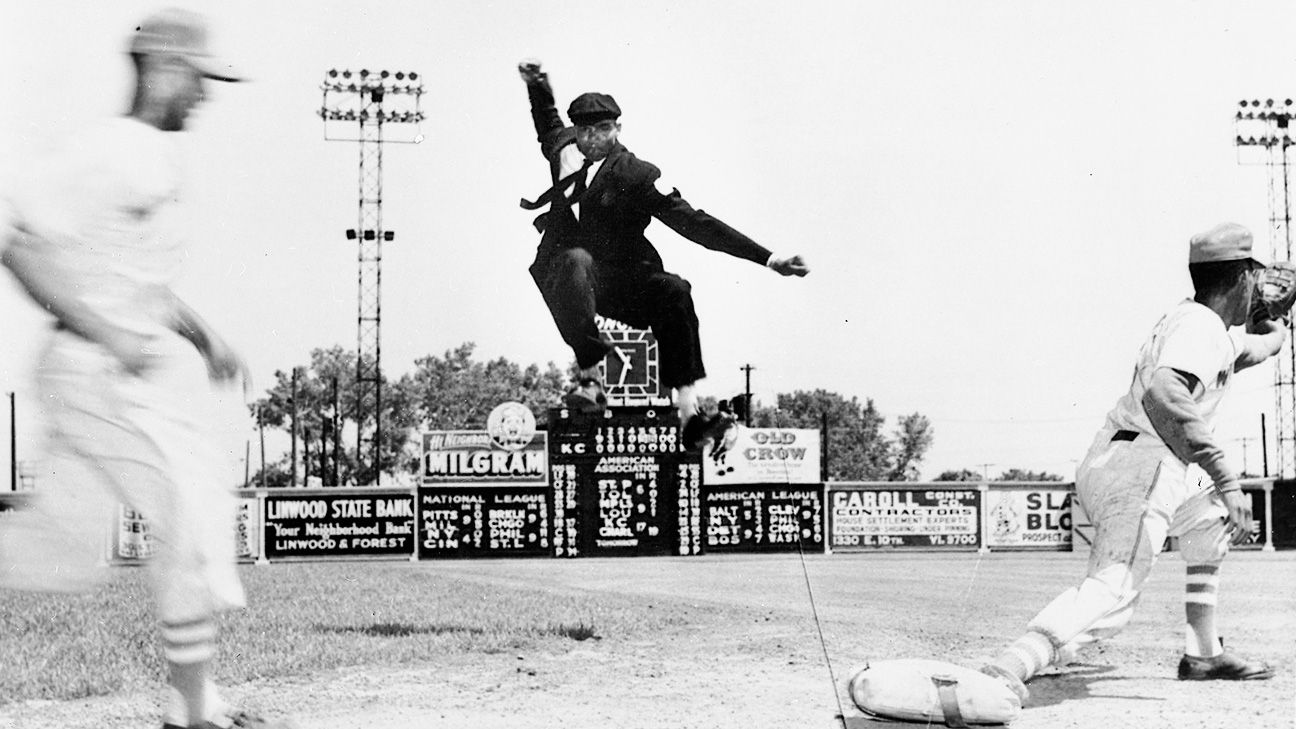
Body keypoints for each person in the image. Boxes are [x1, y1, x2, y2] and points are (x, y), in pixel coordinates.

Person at [0, 9, 292, 729]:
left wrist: (203, 334)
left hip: (106, 369)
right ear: (164, 70)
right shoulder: (110, 151)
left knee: (53, 551)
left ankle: (196, 706)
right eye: (199, 78)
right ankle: (193, 712)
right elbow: (15, 240)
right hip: (93, 367)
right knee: (191, 508)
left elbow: (140, 285)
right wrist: (105, 330)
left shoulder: (147, 157)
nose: (205, 94)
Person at [981, 222, 1282, 703]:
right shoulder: (1200, 329)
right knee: (1114, 590)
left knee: (1211, 523)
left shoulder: (1205, 326)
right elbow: (1166, 394)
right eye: (1257, 278)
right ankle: (1010, 664)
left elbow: (1265, 346)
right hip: (1144, 463)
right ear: (1243, 276)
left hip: (1130, 457)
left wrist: (1272, 316)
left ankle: (1203, 652)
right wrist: (1227, 478)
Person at [516, 60, 809, 449]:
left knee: (674, 290)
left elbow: (697, 223)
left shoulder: (637, 175)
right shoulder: (563, 148)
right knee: (575, 259)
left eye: (603, 130)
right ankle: (591, 379)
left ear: (617, 130)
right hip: (569, 279)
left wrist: (769, 258)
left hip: (622, 282)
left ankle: (690, 414)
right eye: (585, 132)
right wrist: (537, 84)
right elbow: (547, 121)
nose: (592, 140)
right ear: (577, 133)